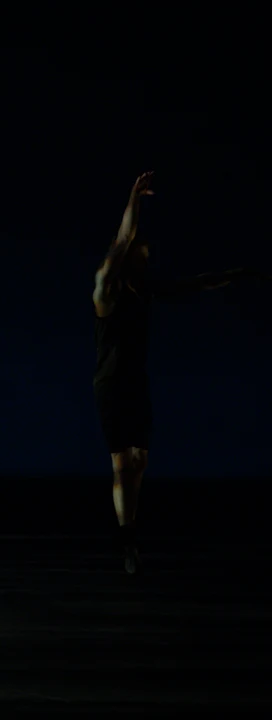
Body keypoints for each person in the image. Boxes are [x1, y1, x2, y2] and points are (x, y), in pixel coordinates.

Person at [92, 172, 265, 574]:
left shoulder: (147, 292)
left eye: (148, 255)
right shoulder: (105, 291)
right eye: (142, 254)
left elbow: (197, 284)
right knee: (122, 462)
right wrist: (134, 199)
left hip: (137, 383)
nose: (146, 258)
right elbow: (121, 239)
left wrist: (237, 275)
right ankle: (126, 537)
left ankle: (130, 533)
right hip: (111, 385)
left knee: (140, 460)